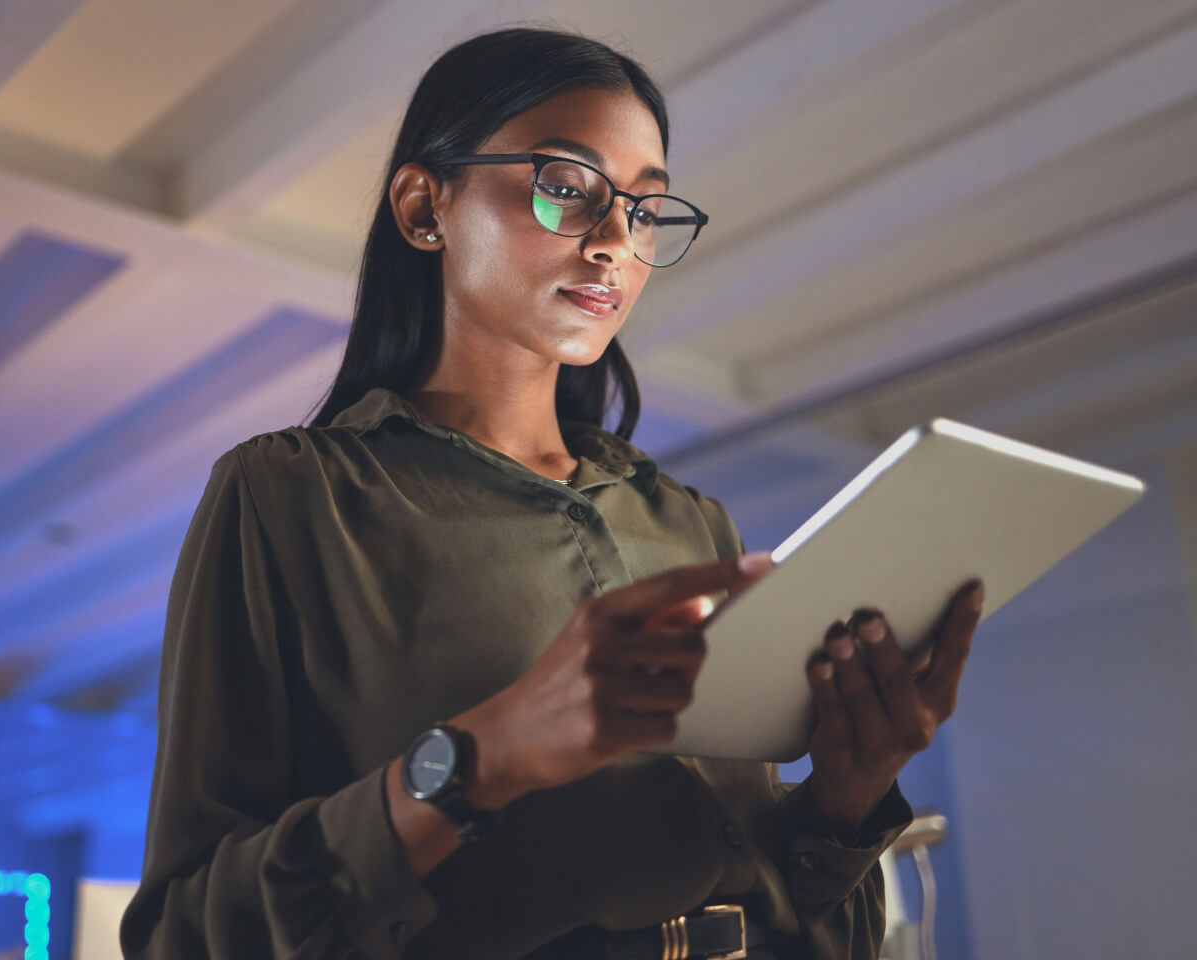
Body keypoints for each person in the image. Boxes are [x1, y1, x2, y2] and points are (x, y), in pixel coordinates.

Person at [119, 27, 983, 960]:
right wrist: (479, 757)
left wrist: (844, 798)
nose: (616, 242)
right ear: (424, 206)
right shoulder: (291, 497)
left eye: (646, 211)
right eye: (568, 188)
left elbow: (804, 921)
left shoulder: (689, 522)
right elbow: (184, 936)